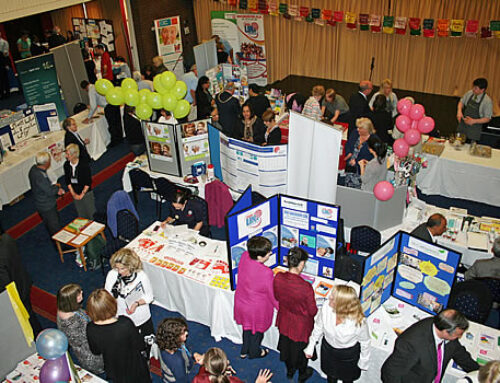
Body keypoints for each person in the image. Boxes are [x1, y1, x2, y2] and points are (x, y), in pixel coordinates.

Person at [381, 309, 479, 382]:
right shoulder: (411, 343)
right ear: (445, 332)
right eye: (458, 335)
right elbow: (389, 373)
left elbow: (460, 354)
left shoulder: (446, 328)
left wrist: (482, 374)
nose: (460, 337)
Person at [304, 285, 370, 383]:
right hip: (328, 350)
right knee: (331, 377)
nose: (329, 297)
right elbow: (318, 327)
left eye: (333, 298)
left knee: (347, 379)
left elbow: (365, 341)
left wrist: (363, 361)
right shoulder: (326, 307)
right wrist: (311, 345)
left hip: (348, 355)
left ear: (342, 304)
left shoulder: (358, 321)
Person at [86, 288, 152, 383]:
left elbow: (96, 351)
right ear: (112, 304)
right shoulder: (125, 323)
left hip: (113, 367)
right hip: (133, 365)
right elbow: (139, 345)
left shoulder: (90, 328)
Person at [274, 247, 317, 382]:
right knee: (300, 352)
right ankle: (302, 374)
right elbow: (313, 311)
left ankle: (290, 371)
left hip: (285, 320)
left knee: (286, 348)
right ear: (302, 264)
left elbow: (277, 296)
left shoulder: (279, 277)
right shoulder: (306, 287)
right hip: (301, 326)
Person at [104, 248, 155, 357]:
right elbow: (107, 295)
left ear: (131, 266)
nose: (119, 271)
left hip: (141, 315)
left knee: (145, 343)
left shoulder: (141, 276)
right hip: (121, 315)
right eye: (117, 268)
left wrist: (137, 303)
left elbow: (149, 297)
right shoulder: (112, 275)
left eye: (122, 268)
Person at [234, 236, 278, 359]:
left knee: (246, 328)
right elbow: (272, 294)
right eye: (268, 253)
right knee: (257, 333)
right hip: (256, 308)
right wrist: (281, 307)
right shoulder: (266, 272)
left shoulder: (244, 256)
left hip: (242, 301)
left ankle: (244, 350)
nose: (270, 253)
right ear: (259, 256)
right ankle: (255, 352)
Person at [56, 284, 104, 374]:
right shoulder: (72, 324)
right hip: (90, 354)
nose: (82, 292)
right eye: (78, 294)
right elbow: (88, 338)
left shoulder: (64, 308)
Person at [0, 231, 42, 335]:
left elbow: (4, 286)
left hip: (16, 294)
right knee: (30, 313)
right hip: (23, 281)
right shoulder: (7, 239)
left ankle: (36, 336)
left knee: (26, 319)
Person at [28, 152, 65, 236]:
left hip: (41, 202)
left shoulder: (33, 169)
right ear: (47, 163)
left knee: (51, 226)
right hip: (46, 206)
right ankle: (61, 247)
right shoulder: (39, 176)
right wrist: (57, 188)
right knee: (55, 229)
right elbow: (49, 191)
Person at [156, 317, 202, 382]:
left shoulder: (166, 343)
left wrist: (193, 355)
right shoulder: (176, 361)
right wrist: (198, 365)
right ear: (174, 338)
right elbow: (184, 381)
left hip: (181, 369)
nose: (186, 333)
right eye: (183, 333)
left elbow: (184, 351)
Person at [81, 79, 123, 147]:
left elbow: (93, 105)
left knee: (112, 125)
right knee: (118, 122)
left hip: (108, 107)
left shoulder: (91, 90)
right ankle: (120, 138)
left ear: (84, 89)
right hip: (114, 102)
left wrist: (88, 117)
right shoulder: (97, 86)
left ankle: (115, 141)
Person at [64, 144, 95, 220]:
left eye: (67, 154)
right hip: (75, 193)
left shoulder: (83, 165)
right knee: (81, 215)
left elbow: (88, 182)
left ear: (74, 154)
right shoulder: (66, 165)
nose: (66, 156)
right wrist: (73, 194)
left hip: (86, 193)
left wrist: (82, 194)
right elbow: (68, 181)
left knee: (91, 214)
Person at [344, 118, 375, 189]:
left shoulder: (373, 140)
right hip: (350, 168)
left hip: (361, 171)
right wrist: (348, 153)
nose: (358, 129)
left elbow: (372, 157)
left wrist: (357, 162)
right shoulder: (355, 133)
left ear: (366, 129)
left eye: (360, 128)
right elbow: (348, 144)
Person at [0, 31, 10, 99]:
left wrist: (6, 64)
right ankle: (1, 93)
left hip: (3, 61)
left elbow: (5, 54)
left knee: (4, 78)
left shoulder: (4, 42)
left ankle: (7, 93)